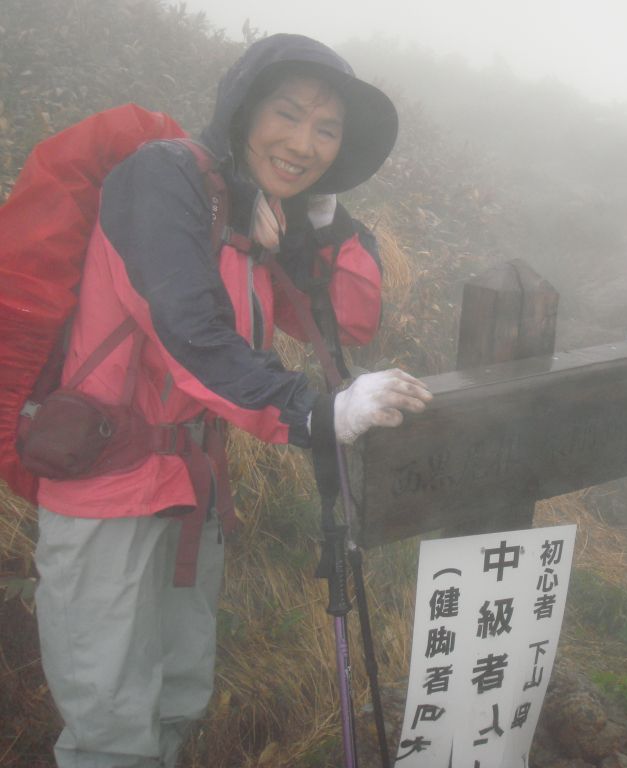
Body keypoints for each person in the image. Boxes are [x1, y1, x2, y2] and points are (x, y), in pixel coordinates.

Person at [32, 34, 432, 767]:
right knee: (111, 726)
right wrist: (314, 412)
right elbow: (189, 332)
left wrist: (324, 223)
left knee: (179, 695)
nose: (304, 142)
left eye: (327, 130)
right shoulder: (163, 182)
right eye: (288, 113)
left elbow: (346, 319)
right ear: (244, 110)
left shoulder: (250, 209)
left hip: (190, 492)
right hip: (105, 491)